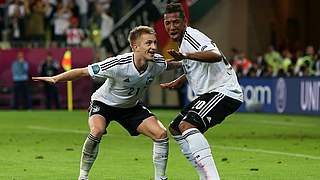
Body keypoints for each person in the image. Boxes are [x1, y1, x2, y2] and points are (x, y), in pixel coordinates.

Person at [33, 26, 181, 180]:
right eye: (148, 43)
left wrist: (186, 62)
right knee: (97, 131)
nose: (154, 47)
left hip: (130, 107)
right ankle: (83, 176)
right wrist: (55, 78)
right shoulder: (118, 64)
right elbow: (83, 71)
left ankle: (160, 178)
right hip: (104, 104)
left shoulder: (157, 62)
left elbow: (167, 64)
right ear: (135, 46)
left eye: (155, 43)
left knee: (161, 134)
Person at [160, 3, 243, 180]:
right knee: (176, 128)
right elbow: (192, 65)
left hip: (224, 91)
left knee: (187, 126)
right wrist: (180, 79)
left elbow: (215, 55)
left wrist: (186, 56)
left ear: (184, 22)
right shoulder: (183, 43)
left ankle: (212, 178)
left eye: (176, 22)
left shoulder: (192, 36)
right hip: (210, 94)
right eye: (168, 23)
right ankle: (203, 175)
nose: (172, 27)